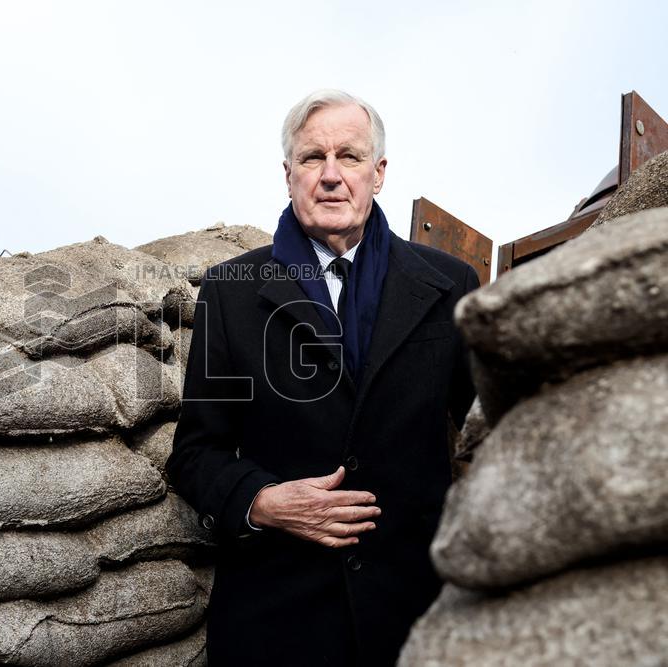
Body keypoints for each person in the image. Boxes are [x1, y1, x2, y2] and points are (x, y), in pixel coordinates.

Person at [165, 89, 480, 666]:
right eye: (313, 158)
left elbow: (484, 433)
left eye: (351, 157)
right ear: (288, 175)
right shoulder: (230, 291)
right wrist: (262, 500)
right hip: (279, 619)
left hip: (415, 616)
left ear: (379, 173)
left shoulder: (450, 284)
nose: (331, 175)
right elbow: (196, 453)